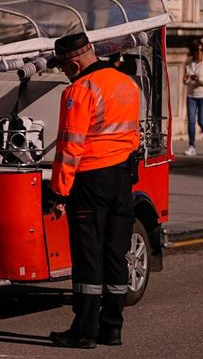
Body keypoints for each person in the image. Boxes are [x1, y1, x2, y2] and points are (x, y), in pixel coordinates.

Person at [46, 33, 140, 349]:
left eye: (63, 67)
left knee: (88, 256)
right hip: (122, 178)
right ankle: (112, 328)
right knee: (116, 255)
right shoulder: (126, 83)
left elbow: (70, 146)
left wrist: (59, 194)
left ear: (73, 62)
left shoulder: (80, 90)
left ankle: (84, 331)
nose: (63, 72)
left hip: (90, 180)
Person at [183, 39, 203, 156]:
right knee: (191, 121)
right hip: (191, 95)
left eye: (201, 50)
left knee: (201, 121)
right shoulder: (188, 62)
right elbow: (185, 81)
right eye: (196, 50)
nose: (199, 52)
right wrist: (186, 79)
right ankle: (191, 146)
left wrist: (199, 79)